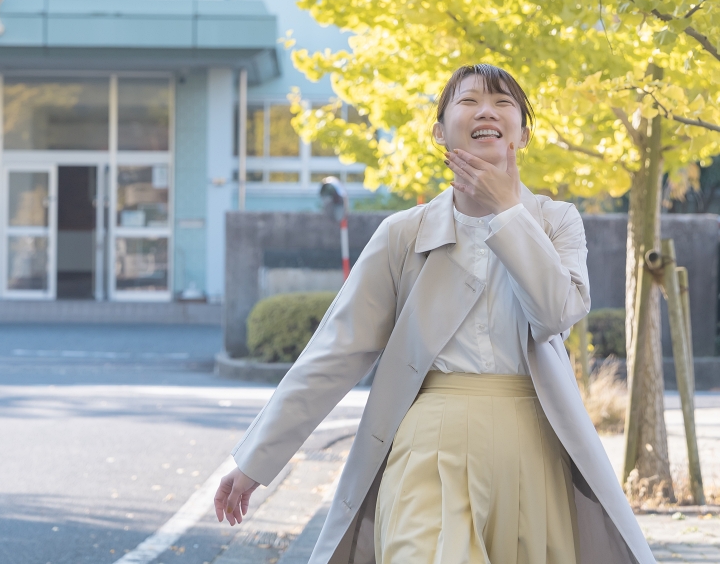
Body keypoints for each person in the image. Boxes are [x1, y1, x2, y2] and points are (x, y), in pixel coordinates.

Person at [214, 63, 655, 564]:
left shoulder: (557, 223)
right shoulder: (403, 235)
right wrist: (255, 460)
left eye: (503, 102)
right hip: (428, 444)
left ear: (523, 134)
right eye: (468, 101)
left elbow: (555, 315)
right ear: (440, 131)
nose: (486, 110)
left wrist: (509, 211)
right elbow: (334, 353)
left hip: (534, 448)